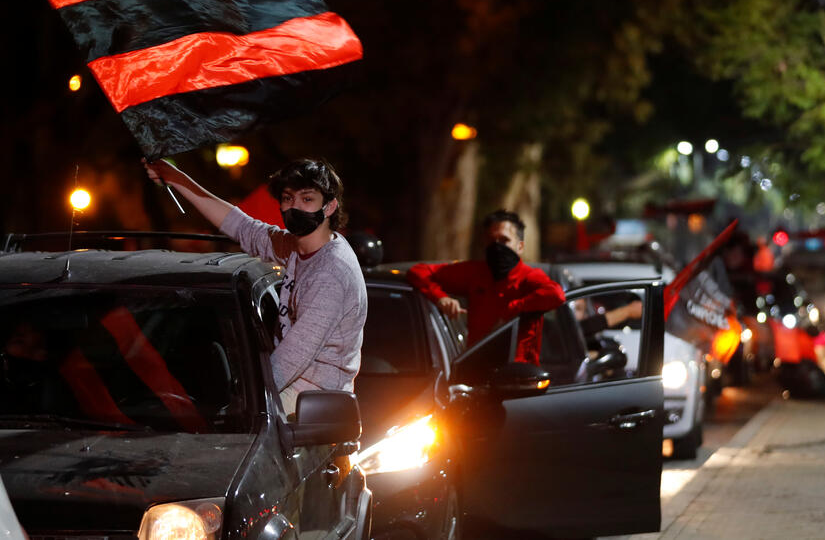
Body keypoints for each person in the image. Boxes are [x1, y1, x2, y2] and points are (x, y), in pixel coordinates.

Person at [144, 157, 367, 418]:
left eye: (307, 199)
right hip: (291, 381)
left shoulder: (331, 273)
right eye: (287, 198)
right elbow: (242, 227)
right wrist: (175, 178)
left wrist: (241, 398)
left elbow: (289, 361)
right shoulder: (297, 247)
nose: (294, 207)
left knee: (233, 428)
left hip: (315, 398)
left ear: (329, 207)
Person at [406, 209, 565, 365]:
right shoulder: (475, 273)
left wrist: (514, 309)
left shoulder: (529, 277)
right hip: (476, 370)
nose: (497, 246)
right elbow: (418, 272)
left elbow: (556, 295)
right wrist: (441, 298)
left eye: (504, 240)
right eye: (491, 240)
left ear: (520, 246)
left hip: (517, 377)